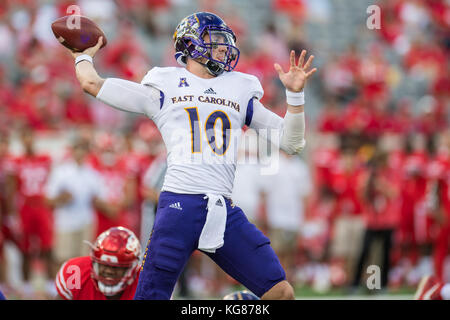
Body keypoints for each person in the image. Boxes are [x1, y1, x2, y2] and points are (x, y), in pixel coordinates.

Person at [67, 12, 316, 300]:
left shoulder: (239, 87)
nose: (224, 47)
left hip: (223, 208)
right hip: (179, 205)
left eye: (226, 41)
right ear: (189, 44)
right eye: (216, 39)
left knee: (281, 293)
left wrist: (295, 97)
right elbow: (91, 83)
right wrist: (81, 55)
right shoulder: (164, 83)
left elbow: (291, 143)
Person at [45, 137, 113, 268]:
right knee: (62, 259)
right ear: (72, 151)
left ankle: (78, 287)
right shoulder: (61, 172)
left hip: (85, 221)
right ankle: (63, 287)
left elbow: (101, 199)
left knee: (83, 260)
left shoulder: (92, 174)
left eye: (83, 149)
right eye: (78, 149)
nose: (80, 152)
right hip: (65, 221)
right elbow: (48, 199)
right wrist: (62, 198)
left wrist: (99, 203)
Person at [54, 226, 141, 300]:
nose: (108, 271)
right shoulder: (75, 272)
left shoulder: (145, 282)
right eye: (104, 264)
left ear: (132, 268)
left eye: (116, 267)